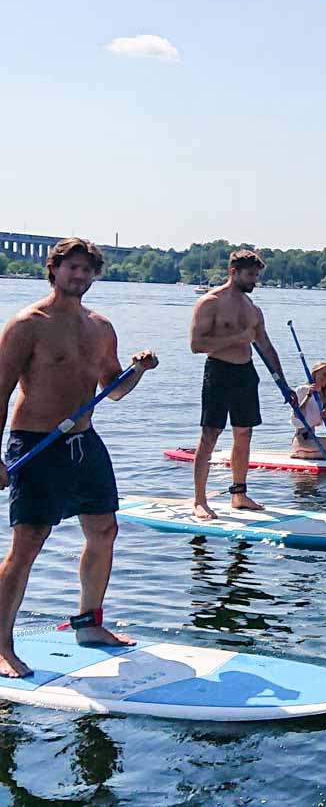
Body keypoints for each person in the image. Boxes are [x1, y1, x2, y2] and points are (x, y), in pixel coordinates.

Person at [0, 238, 159, 678]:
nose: (80, 276)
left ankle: (88, 625)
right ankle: (1, 644)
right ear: (54, 270)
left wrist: (137, 371)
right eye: (72, 268)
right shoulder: (27, 324)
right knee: (28, 545)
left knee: (105, 528)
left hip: (84, 442)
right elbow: (1, 390)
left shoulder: (100, 327)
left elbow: (115, 389)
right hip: (36, 442)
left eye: (87, 270)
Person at [188, 249, 294, 519]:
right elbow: (197, 345)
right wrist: (236, 339)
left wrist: (284, 383)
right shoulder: (210, 302)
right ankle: (200, 500)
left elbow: (266, 346)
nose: (254, 281)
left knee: (244, 433)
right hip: (218, 371)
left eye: (256, 275)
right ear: (233, 272)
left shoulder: (253, 309)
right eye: (250, 275)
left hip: (245, 373)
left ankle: (239, 494)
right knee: (210, 434)